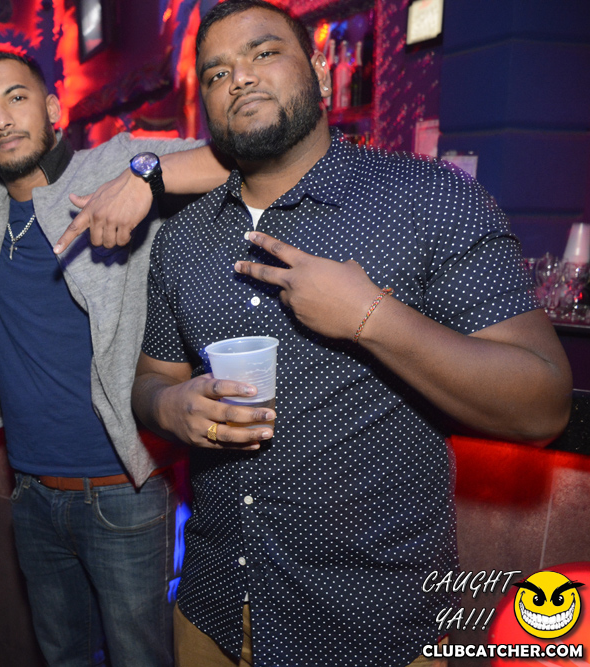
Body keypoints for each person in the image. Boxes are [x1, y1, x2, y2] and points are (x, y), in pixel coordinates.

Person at [130, 2, 573, 666]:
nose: (239, 77)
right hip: (214, 611)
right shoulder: (182, 239)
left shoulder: (429, 199)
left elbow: (543, 402)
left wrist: (371, 317)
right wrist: (170, 407)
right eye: (217, 72)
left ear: (317, 68)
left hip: (377, 627)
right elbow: (150, 382)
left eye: (263, 53)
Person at [0, 50, 229, 665]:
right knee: (62, 658)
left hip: (127, 491)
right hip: (31, 492)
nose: (0, 120)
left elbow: (243, 157)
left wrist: (145, 177)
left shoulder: (115, 163)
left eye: (16, 98)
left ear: (53, 108)